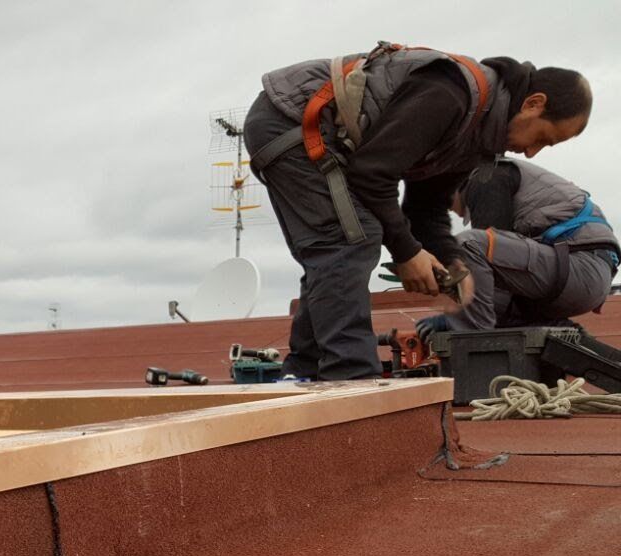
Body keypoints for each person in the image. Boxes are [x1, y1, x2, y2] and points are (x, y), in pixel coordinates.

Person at [242, 43, 591, 380]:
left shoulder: (476, 136)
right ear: (533, 104)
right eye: (543, 138)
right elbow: (371, 174)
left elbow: (425, 210)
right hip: (291, 118)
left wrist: (454, 266)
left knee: (342, 242)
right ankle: (351, 377)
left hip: (311, 130)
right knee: (350, 239)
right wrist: (407, 253)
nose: (531, 153)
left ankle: (306, 369)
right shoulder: (451, 94)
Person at [418, 158, 619, 338]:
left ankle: (474, 347)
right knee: (475, 287)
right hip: (577, 276)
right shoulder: (498, 176)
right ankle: (548, 326)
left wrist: (456, 318)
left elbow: (488, 266)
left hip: (580, 268)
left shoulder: (486, 177)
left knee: (467, 246)